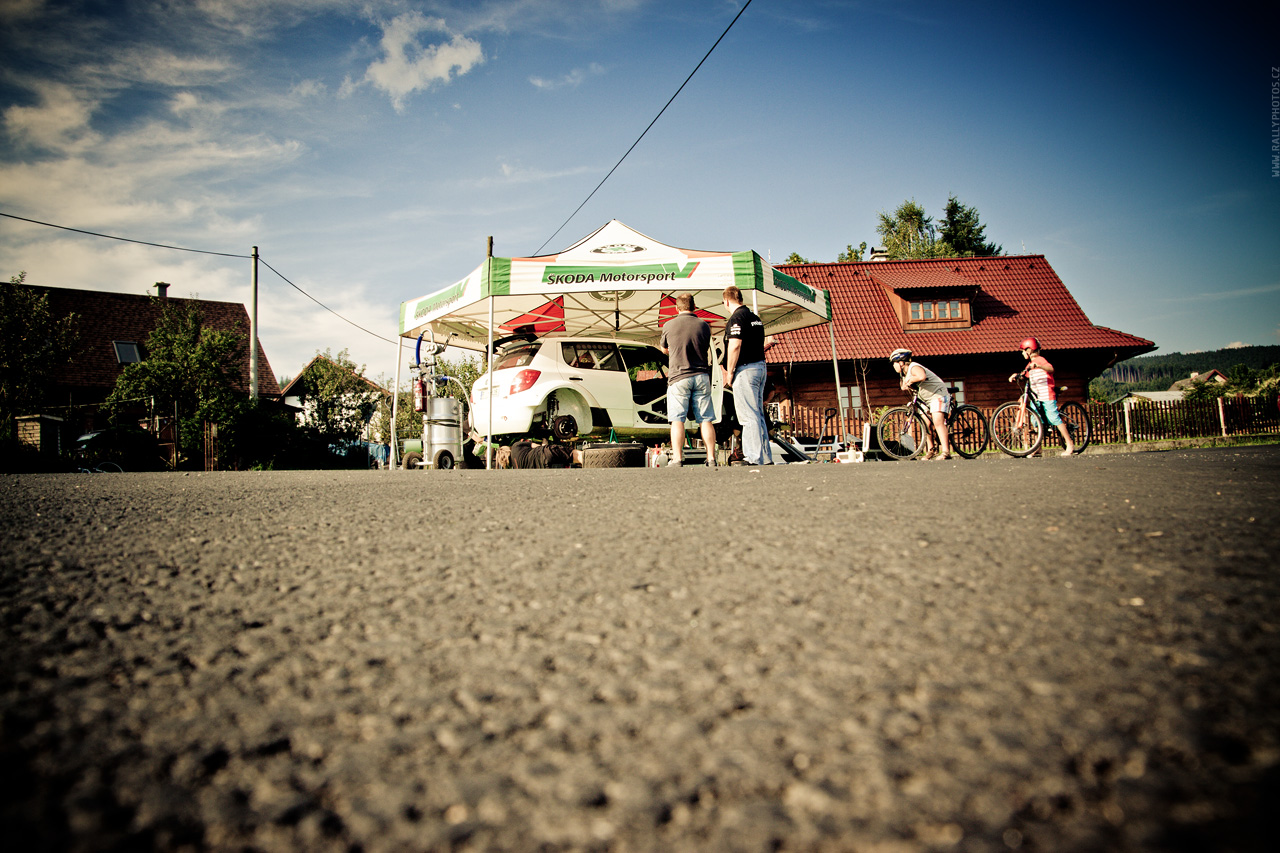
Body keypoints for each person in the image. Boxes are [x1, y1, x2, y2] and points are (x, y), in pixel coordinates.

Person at [659, 292, 718, 466]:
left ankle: (677, 458)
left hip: (679, 377)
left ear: (676, 308)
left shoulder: (668, 325)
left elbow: (664, 349)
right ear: (694, 307)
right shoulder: (704, 326)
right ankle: (711, 458)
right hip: (701, 375)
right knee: (706, 419)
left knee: (677, 419)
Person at [721, 286, 776, 465]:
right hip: (760, 367)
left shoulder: (737, 318)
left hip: (745, 369)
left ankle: (753, 457)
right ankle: (765, 457)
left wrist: (729, 372)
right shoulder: (755, 318)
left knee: (748, 415)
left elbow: (735, 345)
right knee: (758, 414)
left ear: (727, 301)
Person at [1010, 337, 1075, 457]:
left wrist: (1039, 366)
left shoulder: (1040, 360)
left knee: (1054, 417)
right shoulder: (1030, 365)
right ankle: (1038, 448)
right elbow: (1024, 375)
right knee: (1036, 421)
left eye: (1023, 351)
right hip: (1037, 397)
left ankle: (1070, 443)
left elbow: (1051, 369)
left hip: (1046, 394)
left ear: (1029, 350)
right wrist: (1016, 375)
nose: (1022, 353)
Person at [888, 348, 953, 460]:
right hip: (926, 399)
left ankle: (946, 452)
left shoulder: (914, 367)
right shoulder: (903, 374)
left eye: (894, 363)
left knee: (937, 421)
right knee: (925, 423)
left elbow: (921, 376)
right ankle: (931, 449)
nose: (893, 366)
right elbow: (904, 387)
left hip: (937, 394)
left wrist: (911, 381)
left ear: (901, 362)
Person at [509, 438, 580, 468]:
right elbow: (536, 446)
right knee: (577, 456)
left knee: (572, 466)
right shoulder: (515, 446)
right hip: (545, 454)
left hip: (547, 468)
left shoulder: (517, 468)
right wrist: (545, 441)